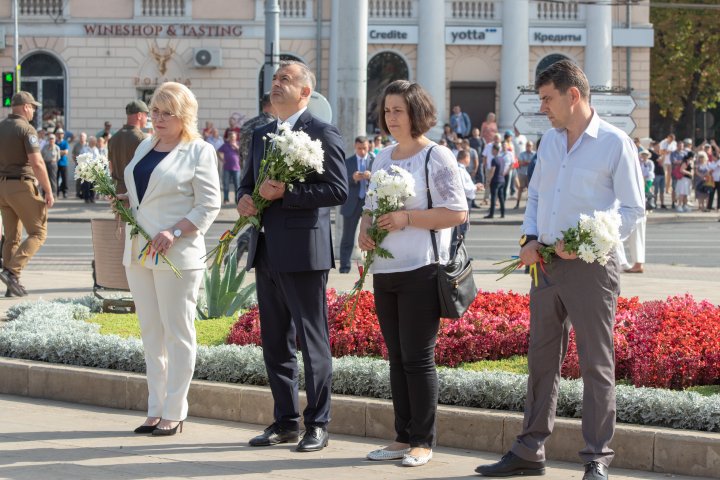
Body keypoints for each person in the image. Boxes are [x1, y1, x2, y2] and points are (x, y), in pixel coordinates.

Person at [475, 60, 644, 480]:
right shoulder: (549, 143)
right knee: (541, 359)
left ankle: (596, 458)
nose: (543, 108)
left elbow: (633, 209)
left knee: (594, 362)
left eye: (548, 99)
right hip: (545, 265)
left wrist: (588, 243)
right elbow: (536, 198)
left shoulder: (614, 143)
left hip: (591, 267)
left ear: (574, 95)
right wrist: (529, 239)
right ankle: (530, 448)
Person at [236, 60, 347, 452]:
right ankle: (285, 421)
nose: (277, 83)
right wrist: (244, 200)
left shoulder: (320, 132)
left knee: (312, 341)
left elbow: (338, 190)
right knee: (275, 343)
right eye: (275, 79)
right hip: (265, 251)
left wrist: (288, 193)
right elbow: (245, 185)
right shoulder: (262, 133)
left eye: (287, 79)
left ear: (305, 92)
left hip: (304, 253)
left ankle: (317, 423)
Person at [358, 80, 467, 468]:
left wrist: (407, 218)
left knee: (418, 358)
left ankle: (423, 440)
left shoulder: (436, 157)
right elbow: (369, 208)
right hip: (385, 271)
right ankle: (402, 437)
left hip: (422, 269)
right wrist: (364, 232)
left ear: (417, 113)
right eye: (387, 111)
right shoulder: (381, 157)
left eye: (398, 110)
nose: (391, 117)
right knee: (396, 356)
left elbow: (456, 212)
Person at [123, 82, 221, 436]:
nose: (158, 118)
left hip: (176, 253)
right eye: (155, 111)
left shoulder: (199, 150)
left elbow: (209, 205)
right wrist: (123, 198)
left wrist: (175, 231)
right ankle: (155, 408)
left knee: (178, 334)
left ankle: (175, 411)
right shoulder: (145, 145)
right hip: (138, 252)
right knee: (150, 333)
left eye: (167, 113)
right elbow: (145, 193)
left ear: (184, 116)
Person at [0, 91, 55, 296]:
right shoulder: (26, 129)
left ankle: (10, 286)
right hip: (21, 185)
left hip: (2, 187)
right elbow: (37, 162)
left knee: (11, 237)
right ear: (25, 107)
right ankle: (12, 272)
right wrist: (48, 190)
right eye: (32, 107)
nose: (33, 110)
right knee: (38, 232)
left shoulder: (1, 126)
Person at [339, 135, 373, 274]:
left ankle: (371, 267)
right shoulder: (347, 162)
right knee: (347, 237)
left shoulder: (375, 161)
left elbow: (383, 180)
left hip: (369, 204)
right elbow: (341, 182)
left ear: (368, 147)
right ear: (355, 147)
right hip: (352, 203)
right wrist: (352, 178)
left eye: (364, 148)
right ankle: (344, 268)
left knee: (371, 237)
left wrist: (371, 176)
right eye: (359, 149)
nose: (362, 152)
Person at [108, 100, 149, 195]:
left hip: (118, 190)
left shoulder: (114, 138)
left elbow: (111, 167)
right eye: (146, 115)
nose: (147, 118)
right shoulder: (142, 138)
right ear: (139, 115)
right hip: (135, 190)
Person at [239, 93, 275, 163]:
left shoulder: (247, 124)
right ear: (273, 104)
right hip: (261, 170)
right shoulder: (271, 125)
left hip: (245, 169)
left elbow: (241, 153)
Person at [217, 130, 241, 205]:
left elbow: (242, 153)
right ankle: (226, 199)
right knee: (226, 184)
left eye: (234, 137)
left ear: (236, 137)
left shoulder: (238, 144)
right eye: (231, 137)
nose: (232, 138)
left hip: (236, 168)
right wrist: (221, 159)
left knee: (237, 185)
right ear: (229, 138)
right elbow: (218, 151)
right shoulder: (225, 145)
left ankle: (237, 200)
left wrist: (236, 147)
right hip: (226, 168)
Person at [483, 144, 505, 219]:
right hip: (502, 180)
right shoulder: (502, 159)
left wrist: (488, 181)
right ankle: (503, 213)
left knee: (493, 197)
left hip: (495, 181)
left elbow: (492, 171)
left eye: (492, 150)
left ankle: (491, 214)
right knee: (501, 197)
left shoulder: (494, 159)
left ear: (495, 150)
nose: (492, 151)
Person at [514, 140, 534, 209]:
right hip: (522, 173)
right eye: (527, 145)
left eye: (530, 146)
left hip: (531, 174)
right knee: (520, 188)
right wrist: (529, 162)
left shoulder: (534, 154)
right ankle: (517, 204)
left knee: (530, 190)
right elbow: (520, 163)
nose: (528, 147)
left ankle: (528, 205)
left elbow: (535, 163)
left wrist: (526, 162)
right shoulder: (522, 154)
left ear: (532, 146)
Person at [55, 128, 70, 198]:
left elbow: (66, 152)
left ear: (63, 135)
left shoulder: (65, 143)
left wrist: (57, 152)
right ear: (56, 134)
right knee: (56, 178)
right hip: (56, 163)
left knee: (65, 178)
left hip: (64, 163)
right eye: (58, 133)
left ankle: (65, 192)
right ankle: (56, 191)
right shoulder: (54, 142)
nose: (60, 135)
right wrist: (61, 152)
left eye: (61, 133)